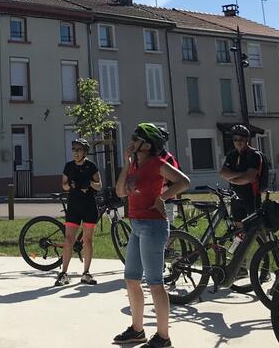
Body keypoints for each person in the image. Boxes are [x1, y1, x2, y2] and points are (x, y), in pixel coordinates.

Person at [114, 123, 191, 348]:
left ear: (147, 145)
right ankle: (137, 330)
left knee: (155, 283)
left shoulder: (157, 164)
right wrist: (127, 163)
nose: (131, 140)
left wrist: (163, 197)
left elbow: (184, 181)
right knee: (131, 279)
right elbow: (120, 191)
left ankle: (163, 337)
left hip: (153, 226)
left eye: (135, 137)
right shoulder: (135, 165)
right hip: (137, 225)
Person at [56, 137, 103, 285]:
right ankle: (63, 273)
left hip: (89, 206)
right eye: (74, 150)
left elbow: (99, 185)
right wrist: (70, 185)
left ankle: (86, 273)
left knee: (88, 240)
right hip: (74, 206)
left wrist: (88, 183)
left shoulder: (91, 166)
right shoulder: (69, 166)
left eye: (79, 150)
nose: (75, 153)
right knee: (69, 239)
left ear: (85, 152)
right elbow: (63, 185)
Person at [218, 124, 265, 226]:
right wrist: (241, 174)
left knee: (256, 228)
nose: (238, 142)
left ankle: (266, 243)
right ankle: (242, 242)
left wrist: (233, 178)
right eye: (235, 139)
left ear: (246, 140)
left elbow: (250, 177)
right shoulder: (231, 155)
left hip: (251, 196)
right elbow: (223, 173)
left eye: (241, 139)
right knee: (239, 227)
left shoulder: (254, 155)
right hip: (235, 195)